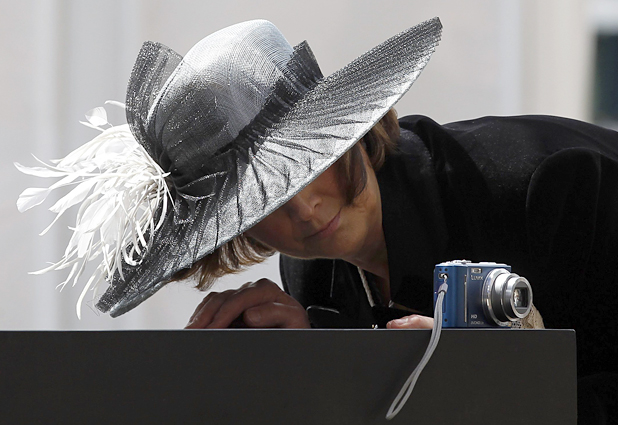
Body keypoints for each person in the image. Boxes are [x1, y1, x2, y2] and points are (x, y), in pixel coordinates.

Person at [17, 18, 617, 424]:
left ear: (347, 126)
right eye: (262, 202)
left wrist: (506, 385)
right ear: (232, 232)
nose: (305, 209)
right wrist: (316, 368)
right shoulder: (313, 278)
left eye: (310, 164)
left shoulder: (555, 182)